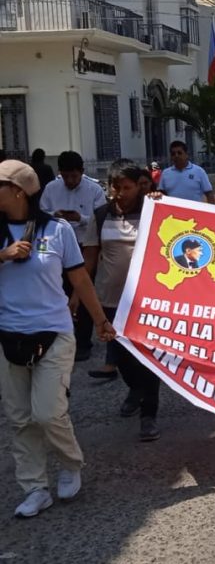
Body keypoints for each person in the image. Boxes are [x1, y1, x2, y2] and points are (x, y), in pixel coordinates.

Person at [0, 159, 115, 518]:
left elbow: (79, 278)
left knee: (48, 412)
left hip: (53, 331)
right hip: (8, 334)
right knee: (20, 418)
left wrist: (100, 321)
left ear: (18, 191)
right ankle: (35, 488)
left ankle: (70, 464)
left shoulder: (57, 230)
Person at [81, 160, 161, 441]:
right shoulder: (101, 216)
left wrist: (160, 204)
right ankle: (134, 388)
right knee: (123, 357)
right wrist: (77, 296)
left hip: (147, 301)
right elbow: (88, 261)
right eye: (115, 187)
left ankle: (149, 415)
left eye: (126, 187)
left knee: (149, 359)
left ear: (138, 187)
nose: (120, 193)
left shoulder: (154, 212)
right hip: (111, 301)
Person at [40, 150, 107, 362]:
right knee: (59, 291)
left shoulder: (94, 189)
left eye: (74, 176)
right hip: (56, 244)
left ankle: (83, 340)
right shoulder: (51, 188)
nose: (70, 180)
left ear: (82, 172)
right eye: (66, 176)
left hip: (84, 244)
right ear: (60, 173)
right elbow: (41, 213)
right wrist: (55, 216)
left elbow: (101, 218)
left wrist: (81, 218)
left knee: (84, 291)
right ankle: (59, 335)